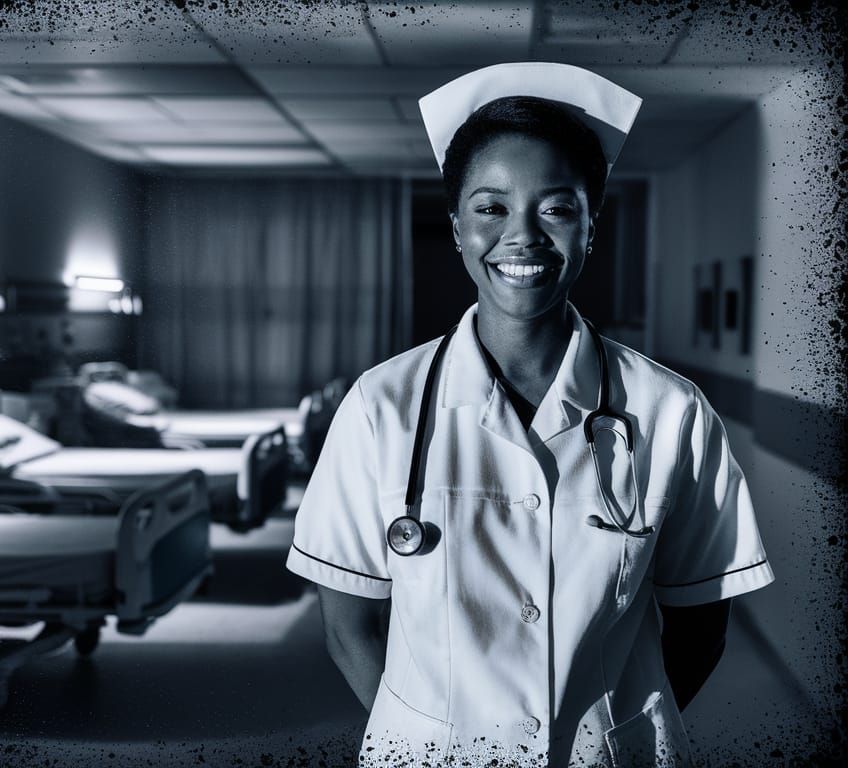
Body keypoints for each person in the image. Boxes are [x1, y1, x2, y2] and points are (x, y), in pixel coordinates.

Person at [285, 62, 774, 768]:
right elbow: (349, 627)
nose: (523, 236)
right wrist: (437, 737)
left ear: (590, 230)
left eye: (556, 207)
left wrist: (611, 734)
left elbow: (701, 628)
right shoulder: (379, 407)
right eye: (491, 208)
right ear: (456, 229)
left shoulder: (672, 412)